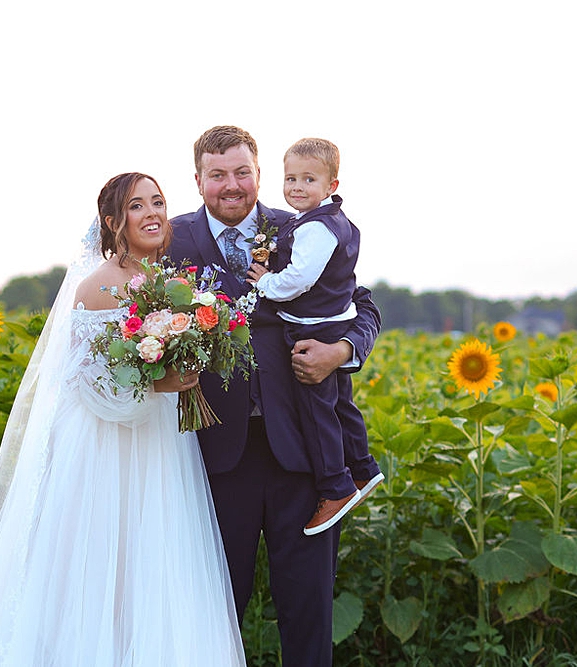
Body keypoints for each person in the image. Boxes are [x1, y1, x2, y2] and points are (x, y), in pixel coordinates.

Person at [0, 173, 246, 667]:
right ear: (113, 221)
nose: (153, 214)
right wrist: (159, 383)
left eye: (158, 202)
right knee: (100, 563)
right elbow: (86, 383)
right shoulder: (97, 286)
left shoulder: (172, 284)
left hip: (158, 441)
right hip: (104, 445)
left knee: (153, 559)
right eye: (138, 206)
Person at [168, 126, 382, 667]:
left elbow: (365, 308)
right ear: (199, 180)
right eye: (218, 175)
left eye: (242, 172)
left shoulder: (306, 226)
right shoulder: (170, 240)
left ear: (259, 174)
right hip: (213, 456)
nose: (232, 185)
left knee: (308, 609)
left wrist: (342, 353)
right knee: (215, 608)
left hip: (305, 452)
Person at [246, 137, 383, 536]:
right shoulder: (320, 222)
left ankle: (336, 486)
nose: (297, 187)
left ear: (332, 186)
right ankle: (363, 469)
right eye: (291, 178)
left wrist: (267, 283)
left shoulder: (315, 229)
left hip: (315, 331)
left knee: (317, 410)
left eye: (308, 179)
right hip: (331, 319)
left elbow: (300, 279)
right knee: (341, 405)